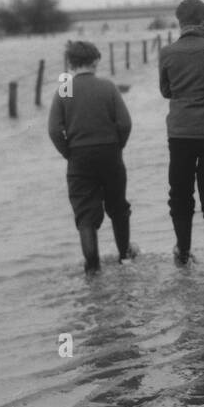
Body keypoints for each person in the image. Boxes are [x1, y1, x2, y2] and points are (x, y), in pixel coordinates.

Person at [158, 0, 204, 276]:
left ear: (179, 21)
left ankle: (184, 252)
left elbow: (165, 91)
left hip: (180, 133)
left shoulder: (167, 52)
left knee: (180, 194)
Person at [48, 39, 134, 273]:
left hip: (79, 156)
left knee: (85, 214)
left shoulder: (65, 88)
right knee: (118, 208)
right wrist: (118, 146)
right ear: (96, 60)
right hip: (110, 152)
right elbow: (125, 123)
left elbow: (55, 130)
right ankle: (124, 257)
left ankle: (93, 266)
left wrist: (70, 153)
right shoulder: (107, 86)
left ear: (71, 63)